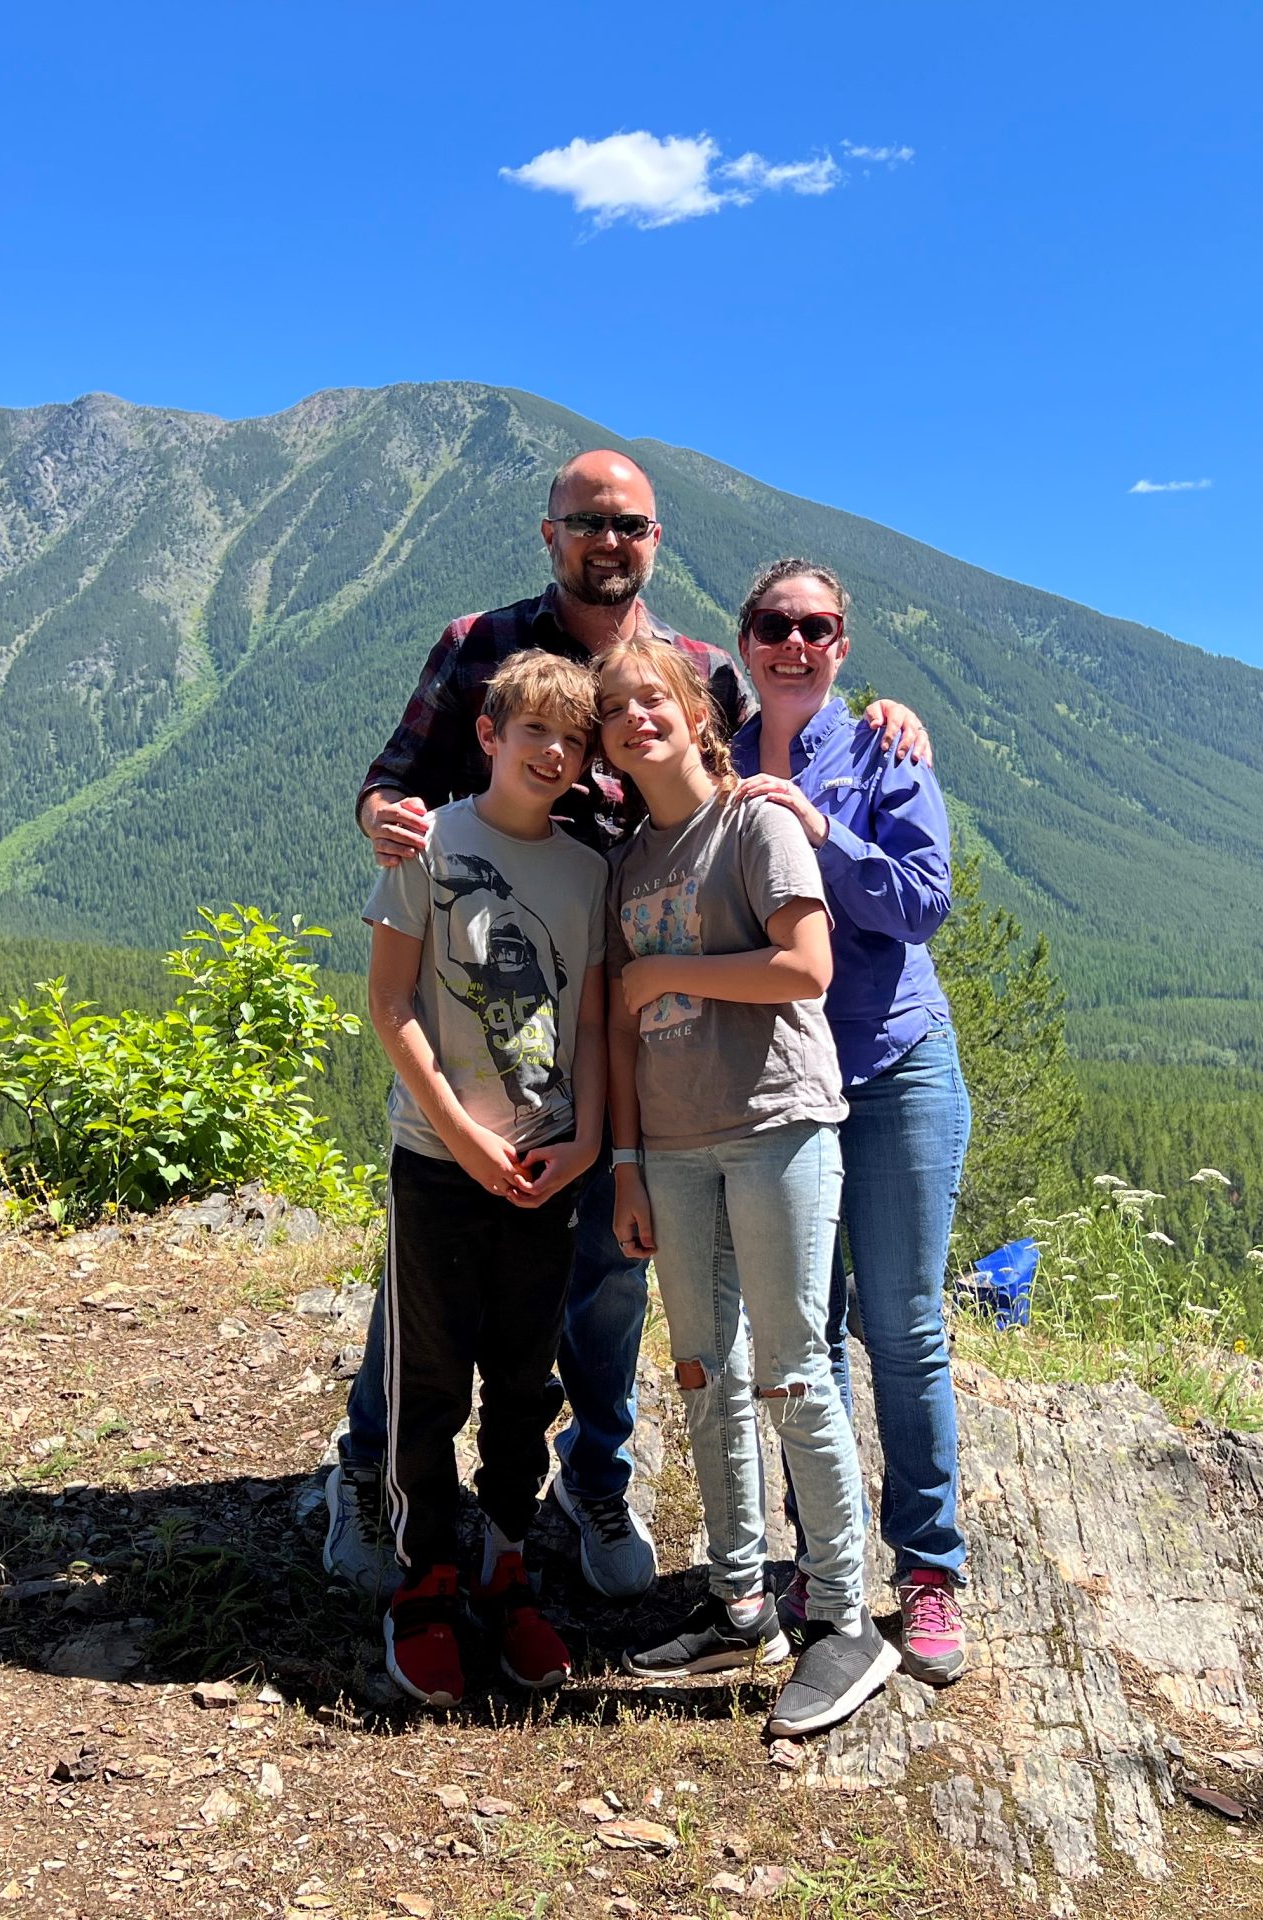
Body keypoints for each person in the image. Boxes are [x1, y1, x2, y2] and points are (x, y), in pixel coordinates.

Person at [325, 449, 931, 1601]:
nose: (611, 540)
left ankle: (589, 1476)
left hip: (636, 1021)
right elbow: (391, 779)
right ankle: (374, 1471)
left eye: (633, 524)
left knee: (606, 1265)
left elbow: (777, 757)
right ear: (549, 532)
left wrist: (879, 718)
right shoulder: (476, 647)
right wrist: (386, 820)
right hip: (497, 1009)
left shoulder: (697, 666)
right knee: (437, 1265)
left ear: (657, 540)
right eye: (588, 521)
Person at [598, 636, 899, 1741]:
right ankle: (737, 1603)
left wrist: (671, 969)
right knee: (700, 1374)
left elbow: (805, 965)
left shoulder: (755, 823)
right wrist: (627, 1162)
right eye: (616, 709)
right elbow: (620, 1034)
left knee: (790, 1372)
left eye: (654, 699)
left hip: (775, 1124)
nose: (637, 718)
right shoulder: (631, 860)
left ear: (694, 713)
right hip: (672, 1148)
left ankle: (845, 1625)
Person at [731, 560, 976, 1686]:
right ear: (743, 640)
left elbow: (923, 902)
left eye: (814, 627)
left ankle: (927, 1571)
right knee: (803, 1338)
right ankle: (824, 1565)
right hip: (782, 1083)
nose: (793, 643)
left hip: (892, 1066)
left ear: (842, 642)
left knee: (904, 1327)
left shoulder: (884, 750)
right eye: (774, 625)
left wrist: (816, 827)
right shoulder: (711, 753)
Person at [360, 652, 607, 1705]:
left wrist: (587, 1140)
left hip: (548, 1168)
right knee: (428, 1380)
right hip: (438, 1161)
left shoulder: (587, 871)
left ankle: (507, 1561)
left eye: (573, 740)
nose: (551, 753)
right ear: (491, 738)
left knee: (523, 1381)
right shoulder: (427, 842)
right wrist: (461, 1137)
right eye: (533, 732)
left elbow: (590, 1021)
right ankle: (423, 1579)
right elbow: (390, 1004)